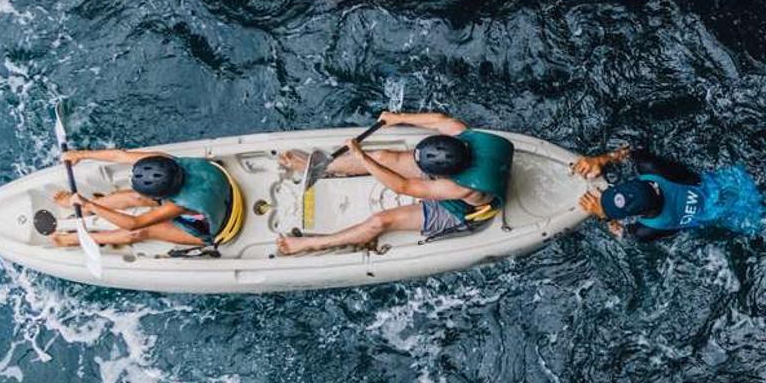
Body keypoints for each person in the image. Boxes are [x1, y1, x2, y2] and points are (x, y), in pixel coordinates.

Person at [275, 110, 512, 256]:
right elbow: (439, 119)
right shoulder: (461, 134)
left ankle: (309, 244)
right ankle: (320, 166)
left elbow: (403, 187)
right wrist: (396, 119)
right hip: (466, 171)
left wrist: (361, 157)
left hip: (463, 210)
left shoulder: (458, 187)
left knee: (380, 221)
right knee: (383, 158)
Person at [41, 150, 235, 248]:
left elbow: (134, 224)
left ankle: (72, 240)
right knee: (136, 197)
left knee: (144, 231)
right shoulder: (167, 161)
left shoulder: (177, 206)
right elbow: (120, 156)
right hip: (218, 188)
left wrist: (89, 203)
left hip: (215, 226)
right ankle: (83, 210)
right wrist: (81, 154)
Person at [573, 144, 765, 242]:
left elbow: (622, 232)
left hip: (735, 215)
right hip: (736, 181)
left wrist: (604, 217)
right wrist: (602, 159)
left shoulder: (649, 229)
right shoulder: (652, 168)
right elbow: (631, 151)